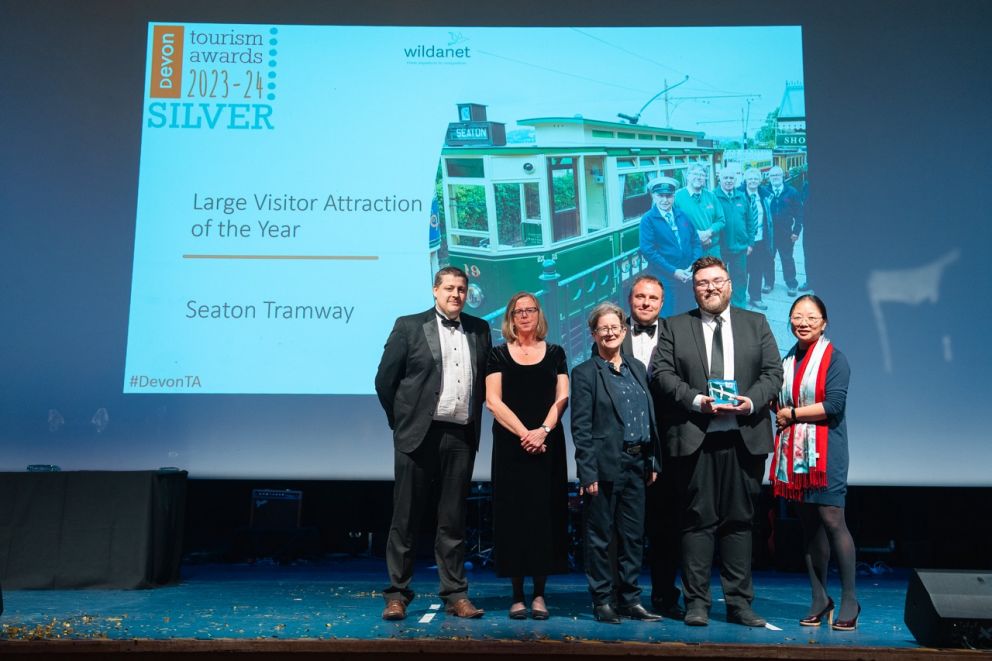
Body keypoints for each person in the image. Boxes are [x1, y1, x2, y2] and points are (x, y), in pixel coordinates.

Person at [650, 256, 782, 627]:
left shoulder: (755, 323)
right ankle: (697, 604)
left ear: (730, 283)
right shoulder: (675, 326)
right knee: (696, 522)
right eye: (702, 283)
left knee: (740, 523)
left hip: (745, 438)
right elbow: (661, 372)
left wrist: (752, 400)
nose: (710, 288)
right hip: (696, 439)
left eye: (716, 281)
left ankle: (739, 604)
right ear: (694, 289)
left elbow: (774, 372)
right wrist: (696, 400)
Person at [374, 266, 492, 621]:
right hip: (417, 436)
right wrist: (401, 422)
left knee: (452, 520)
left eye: (461, 289)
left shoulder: (480, 329)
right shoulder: (409, 326)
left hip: (460, 434)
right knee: (406, 518)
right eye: (449, 288)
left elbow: (484, 382)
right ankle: (397, 595)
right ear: (435, 290)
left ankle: (455, 594)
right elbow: (385, 381)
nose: (456, 294)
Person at [770, 295, 859, 630]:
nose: (802, 322)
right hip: (795, 454)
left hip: (827, 452)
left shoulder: (836, 359)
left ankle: (850, 598)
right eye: (796, 316)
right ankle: (820, 597)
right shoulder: (787, 360)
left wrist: (790, 413)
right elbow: (778, 400)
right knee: (810, 526)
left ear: (824, 322)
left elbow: (833, 405)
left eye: (810, 316)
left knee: (833, 520)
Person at [571, 302, 661, 624]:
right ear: (594, 334)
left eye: (615, 327)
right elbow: (581, 427)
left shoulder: (637, 367)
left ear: (624, 331)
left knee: (633, 536)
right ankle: (603, 600)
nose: (610, 333)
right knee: (600, 536)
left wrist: (652, 458)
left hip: (637, 463)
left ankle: (630, 599)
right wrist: (587, 471)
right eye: (603, 328)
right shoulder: (584, 373)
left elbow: (646, 416)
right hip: (604, 466)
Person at [485, 292, 570, 620]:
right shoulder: (497, 354)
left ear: (539, 315)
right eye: (518, 311)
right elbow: (493, 402)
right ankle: (517, 595)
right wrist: (526, 434)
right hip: (512, 447)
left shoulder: (556, 353)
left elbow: (562, 396)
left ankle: (539, 595)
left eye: (530, 310)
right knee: (514, 517)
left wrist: (543, 431)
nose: (524, 315)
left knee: (544, 516)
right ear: (510, 317)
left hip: (547, 444)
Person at [620, 275, 685, 620]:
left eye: (653, 298)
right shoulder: (613, 333)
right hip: (625, 445)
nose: (646, 303)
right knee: (625, 527)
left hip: (668, 444)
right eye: (640, 297)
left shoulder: (676, 334)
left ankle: (664, 595)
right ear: (630, 300)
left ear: (662, 304)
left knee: (666, 527)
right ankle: (623, 595)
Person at [639, 176, 702, 318]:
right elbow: (648, 251)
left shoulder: (681, 215)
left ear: (673, 197)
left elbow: (695, 241)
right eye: (660, 196)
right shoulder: (648, 220)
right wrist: (673, 271)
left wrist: (693, 265)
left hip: (687, 274)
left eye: (668, 196)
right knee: (668, 315)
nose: (665, 200)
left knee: (688, 311)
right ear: (653, 196)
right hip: (665, 278)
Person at [714, 167, 757, 309]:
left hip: (740, 247)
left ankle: (739, 307)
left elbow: (750, 222)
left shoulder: (742, 196)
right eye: (725, 178)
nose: (728, 181)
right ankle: (720, 307)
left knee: (740, 278)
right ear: (720, 179)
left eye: (731, 178)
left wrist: (750, 243)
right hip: (721, 248)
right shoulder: (713, 196)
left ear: (735, 180)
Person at [764, 166, 804, 296]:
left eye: (778, 175)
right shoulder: (765, 192)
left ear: (783, 176)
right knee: (769, 259)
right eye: (772, 175)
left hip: (786, 234)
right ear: (769, 178)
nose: (775, 177)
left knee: (787, 259)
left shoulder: (792, 192)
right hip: (769, 234)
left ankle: (792, 283)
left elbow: (799, 213)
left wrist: (796, 231)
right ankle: (769, 283)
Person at [675, 163, 726, 258]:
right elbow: (674, 224)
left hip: (713, 250)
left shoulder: (711, 196)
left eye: (702, 175)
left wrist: (708, 232)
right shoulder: (677, 197)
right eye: (695, 174)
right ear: (687, 176)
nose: (699, 177)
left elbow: (721, 220)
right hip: (691, 252)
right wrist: (696, 236)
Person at [740, 168, 773, 310]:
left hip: (760, 240)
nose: (753, 181)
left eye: (755, 179)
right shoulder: (739, 195)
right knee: (741, 272)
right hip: (743, 241)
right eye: (750, 179)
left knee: (757, 270)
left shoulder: (765, 196)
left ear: (760, 181)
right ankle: (739, 300)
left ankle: (755, 297)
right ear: (745, 180)